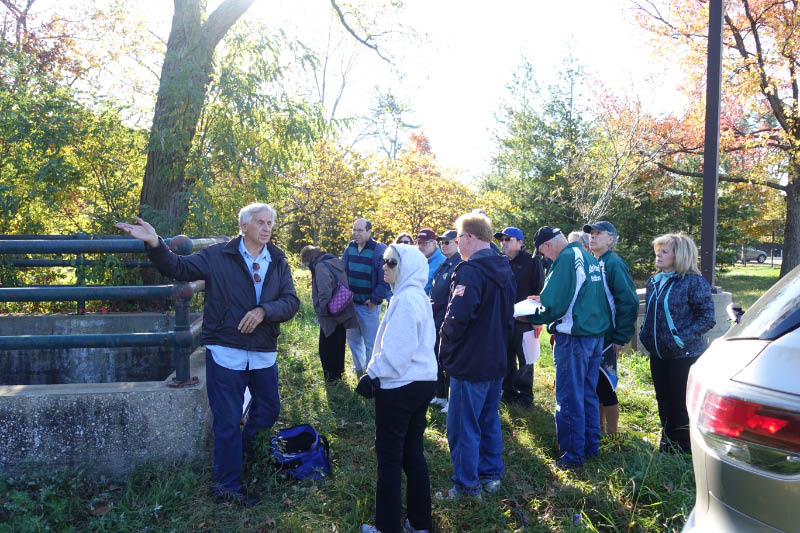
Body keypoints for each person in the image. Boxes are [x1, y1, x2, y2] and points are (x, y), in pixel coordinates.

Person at [116, 203, 300, 506]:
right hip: (226, 349)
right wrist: (155, 243)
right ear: (243, 226)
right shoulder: (217, 255)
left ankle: (242, 453)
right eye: (260, 222)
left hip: (263, 350)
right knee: (227, 420)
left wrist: (264, 311)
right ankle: (226, 486)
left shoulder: (278, 260)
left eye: (270, 223)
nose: (267, 228)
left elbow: (291, 301)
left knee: (269, 409)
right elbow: (178, 267)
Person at [358, 244, 437, 533]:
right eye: (385, 261)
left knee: (390, 459)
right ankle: (419, 523)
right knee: (412, 454)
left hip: (400, 387)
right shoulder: (415, 296)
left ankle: (387, 527)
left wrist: (372, 376)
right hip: (420, 383)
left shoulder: (406, 300)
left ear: (408, 267)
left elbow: (397, 354)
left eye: (392, 262)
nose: (385, 266)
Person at [438, 212, 516, 498]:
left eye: (459, 238)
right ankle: (490, 475)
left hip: (470, 361)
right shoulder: (503, 267)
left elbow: (457, 317)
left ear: (469, 237)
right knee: (488, 419)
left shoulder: (470, 270)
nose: (457, 243)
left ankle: (467, 486)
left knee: (463, 426)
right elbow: (508, 316)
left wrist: (445, 348)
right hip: (496, 357)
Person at [522, 226, 610, 469]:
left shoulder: (566, 259)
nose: (545, 258)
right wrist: (544, 300)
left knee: (569, 397)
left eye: (542, 253)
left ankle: (572, 456)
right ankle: (590, 447)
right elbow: (578, 294)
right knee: (587, 393)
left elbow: (556, 306)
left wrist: (531, 315)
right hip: (593, 334)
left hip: (573, 338)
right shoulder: (586, 256)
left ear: (548, 245)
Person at [638, 233, 715, 453]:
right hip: (659, 353)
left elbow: (707, 318)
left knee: (681, 403)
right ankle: (668, 442)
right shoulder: (654, 281)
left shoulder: (693, 282)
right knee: (663, 399)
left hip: (685, 355)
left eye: (664, 251)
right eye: (657, 251)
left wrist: (680, 340)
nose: (658, 255)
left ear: (679, 255)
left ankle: (684, 448)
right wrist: (646, 336)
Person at [584, 221, 639, 435]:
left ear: (611, 239)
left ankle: (614, 436)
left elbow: (628, 301)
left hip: (608, 338)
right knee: (596, 385)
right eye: (591, 233)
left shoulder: (613, 263)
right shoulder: (594, 261)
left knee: (606, 385)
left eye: (598, 233)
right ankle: (599, 431)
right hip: (595, 335)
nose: (593, 236)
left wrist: (620, 336)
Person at [495, 226, 545, 409]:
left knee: (526, 360)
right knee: (506, 359)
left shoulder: (532, 262)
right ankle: (508, 393)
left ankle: (525, 397)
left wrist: (536, 320)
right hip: (503, 320)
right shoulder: (499, 262)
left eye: (507, 239)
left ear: (520, 242)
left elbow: (539, 291)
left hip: (525, 320)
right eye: (501, 240)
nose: (503, 243)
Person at [300, 245, 359, 383]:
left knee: (326, 349)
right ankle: (339, 374)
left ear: (309, 259)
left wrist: (323, 311)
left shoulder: (320, 267)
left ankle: (331, 379)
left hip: (330, 313)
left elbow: (324, 292)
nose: (307, 267)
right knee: (339, 345)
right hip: (342, 308)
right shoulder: (333, 261)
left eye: (306, 264)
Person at [343, 218, 391, 375]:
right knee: (353, 340)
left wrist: (374, 300)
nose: (356, 234)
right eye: (354, 230)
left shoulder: (379, 250)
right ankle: (359, 369)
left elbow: (385, 279)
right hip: (350, 305)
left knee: (371, 343)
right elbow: (343, 272)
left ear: (369, 231)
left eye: (360, 230)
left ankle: (370, 373)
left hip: (368, 306)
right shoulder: (350, 247)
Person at [429, 229, 462, 412]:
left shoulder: (460, 263)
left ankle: (451, 399)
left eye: (447, 242)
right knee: (437, 357)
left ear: (457, 242)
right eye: (441, 242)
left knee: (449, 359)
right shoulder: (445, 263)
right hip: (436, 318)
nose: (443, 245)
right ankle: (440, 394)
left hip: (448, 318)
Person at [415, 228, 445, 295]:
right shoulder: (417, 261)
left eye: (424, 243)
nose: (420, 246)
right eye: (419, 243)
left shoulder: (443, 262)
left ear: (434, 243)